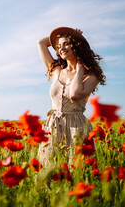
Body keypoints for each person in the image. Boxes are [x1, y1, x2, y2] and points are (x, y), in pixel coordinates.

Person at [37, 27, 105, 166]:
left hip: (77, 127)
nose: (61, 48)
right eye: (58, 46)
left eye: (66, 44)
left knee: (77, 169)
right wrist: (63, 34)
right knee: (50, 168)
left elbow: (74, 95)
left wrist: (79, 69)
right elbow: (41, 43)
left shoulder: (91, 76)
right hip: (54, 125)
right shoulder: (56, 71)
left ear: (76, 45)